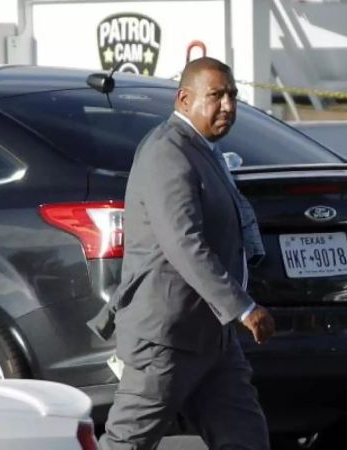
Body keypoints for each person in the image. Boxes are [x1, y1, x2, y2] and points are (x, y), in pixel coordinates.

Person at [96, 57, 275, 450]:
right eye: (216, 96)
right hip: (166, 338)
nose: (228, 105)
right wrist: (243, 307)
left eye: (232, 95)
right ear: (184, 99)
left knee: (246, 439)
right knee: (128, 443)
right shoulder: (168, 152)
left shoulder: (203, 149)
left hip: (213, 337)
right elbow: (184, 242)